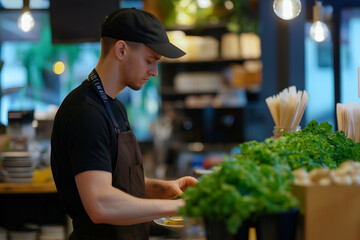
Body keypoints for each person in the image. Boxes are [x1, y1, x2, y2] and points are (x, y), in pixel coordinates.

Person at [50, 8, 197, 240]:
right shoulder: (85, 113)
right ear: (121, 49)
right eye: (150, 60)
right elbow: (101, 203)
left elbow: (115, 182)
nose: (155, 72)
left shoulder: (114, 106)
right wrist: (180, 208)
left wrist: (165, 188)